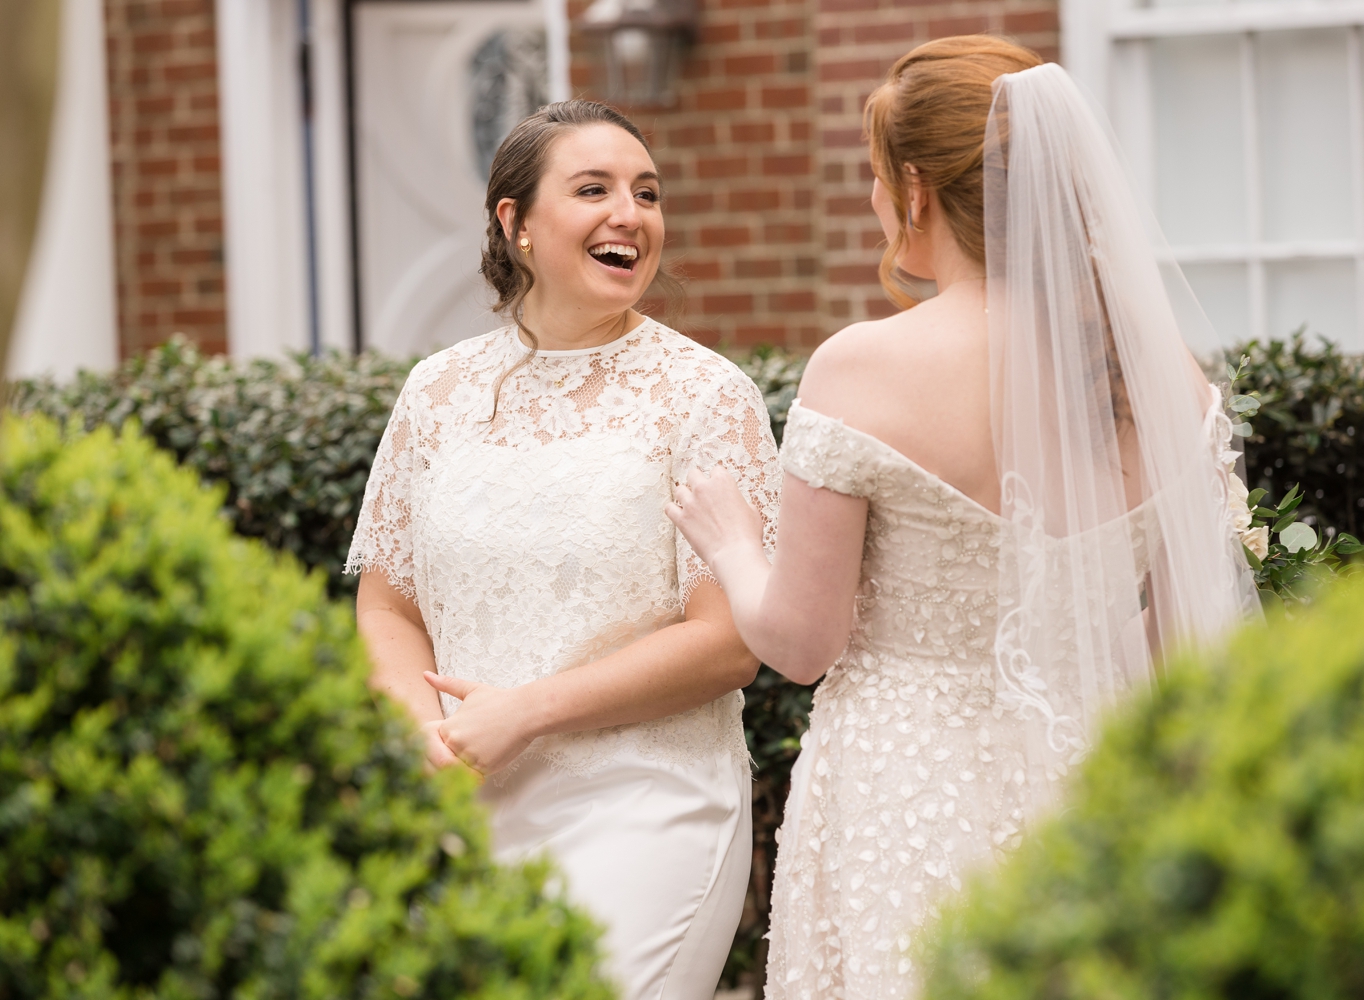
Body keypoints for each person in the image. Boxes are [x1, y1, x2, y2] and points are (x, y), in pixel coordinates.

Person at [666, 37, 1260, 1000]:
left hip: (903, 795)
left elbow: (804, 641)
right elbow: (1184, 646)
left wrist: (734, 544)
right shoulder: (1169, 384)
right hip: (1095, 789)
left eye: (872, 177)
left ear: (914, 189)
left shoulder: (863, 367)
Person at [346, 100, 781, 1000]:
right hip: (461, 803)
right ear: (517, 224)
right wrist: (419, 727)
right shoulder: (437, 393)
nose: (631, 214)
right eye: (594, 189)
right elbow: (389, 604)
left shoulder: (704, 396)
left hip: (644, 801)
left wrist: (527, 713)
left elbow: (731, 638)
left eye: (647, 193)